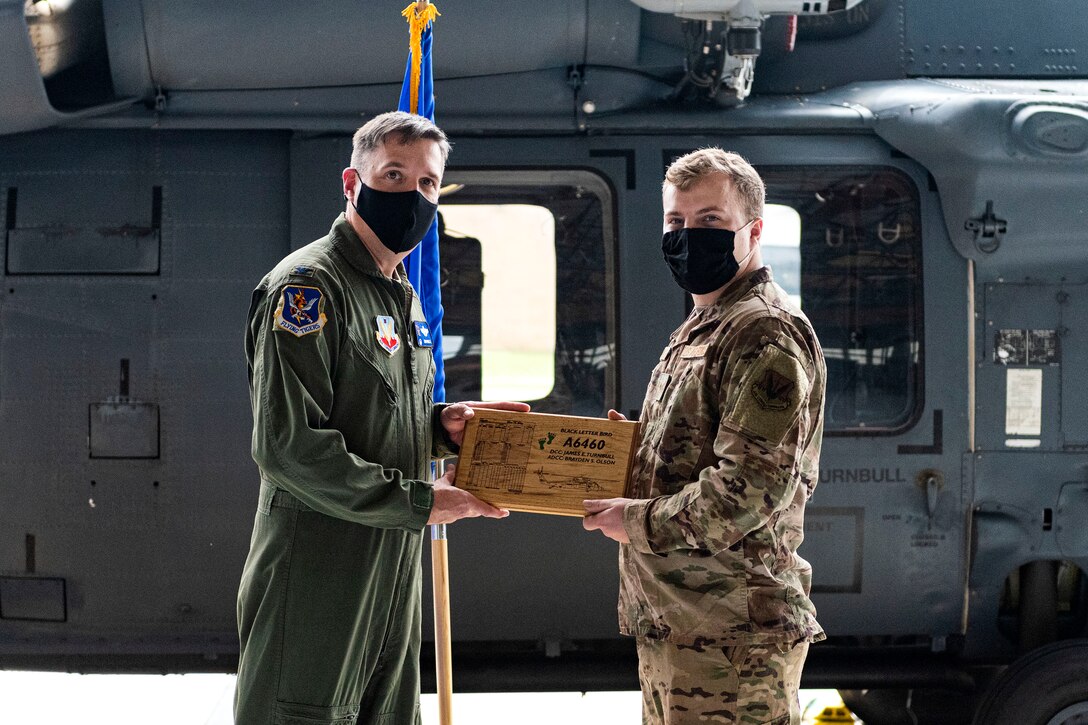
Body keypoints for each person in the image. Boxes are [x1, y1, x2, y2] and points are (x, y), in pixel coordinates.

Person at [235, 111, 527, 725]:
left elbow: (376, 414)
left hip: (390, 571)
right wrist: (422, 502)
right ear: (352, 183)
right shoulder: (308, 289)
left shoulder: (399, 292)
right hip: (318, 573)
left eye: (427, 184)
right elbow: (286, 445)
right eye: (394, 175)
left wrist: (441, 427)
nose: (412, 195)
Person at [583, 147, 826, 725]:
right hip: (683, 620)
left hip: (732, 634)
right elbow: (697, 450)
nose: (690, 236)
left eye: (711, 221)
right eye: (677, 222)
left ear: (753, 229)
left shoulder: (763, 331)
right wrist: (629, 455)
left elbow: (749, 490)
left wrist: (635, 520)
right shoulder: (706, 324)